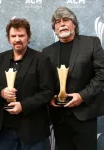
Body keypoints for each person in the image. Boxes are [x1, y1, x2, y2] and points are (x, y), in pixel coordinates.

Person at [42, 7, 104, 150]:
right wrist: (50, 98)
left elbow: (102, 74)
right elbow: (45, 82)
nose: (62, 24)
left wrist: (82, 96)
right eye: (57, 22)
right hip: (59, 118)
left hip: (84, 115)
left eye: (66, 20)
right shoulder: (47, 52)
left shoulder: (91, 43)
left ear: (74, 24)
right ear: (54, 28)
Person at [0, 18, 54, 150]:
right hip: (6, 130)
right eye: (13, 36)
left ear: (29, 37)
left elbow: (47, 91)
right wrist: (1, 92)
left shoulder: (41, 59)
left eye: (21, 35)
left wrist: (23, 106)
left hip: (34, 130)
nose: (17, 39)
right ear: (8, 39)